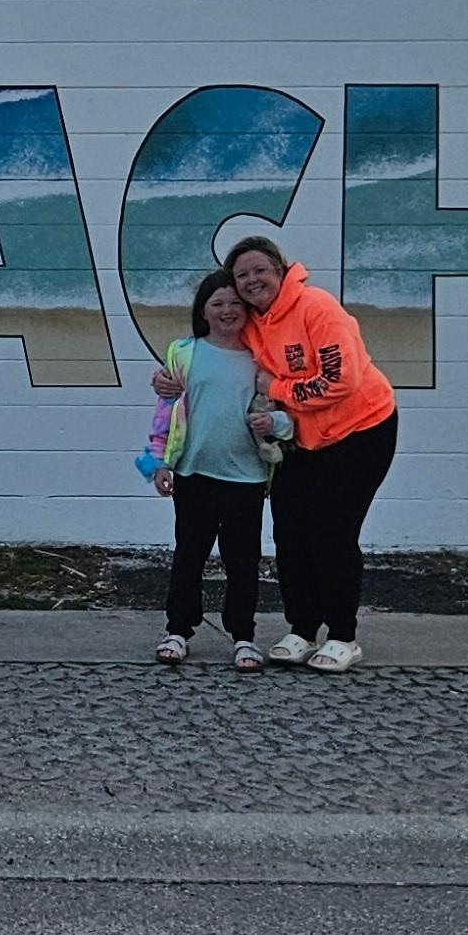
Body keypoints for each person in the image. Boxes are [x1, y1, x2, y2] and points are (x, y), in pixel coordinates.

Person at [152, 237, 397, 671]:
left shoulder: (317, 308)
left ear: (281, 270)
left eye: (260, 270)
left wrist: (278, 389)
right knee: (291, 533)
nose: (252, 281)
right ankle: (302, 628)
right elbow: (210, 354)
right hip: (300, 438)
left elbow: (340, 380)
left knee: (333, 532)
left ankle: (343, 635)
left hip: (360, 431)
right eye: (242, 275)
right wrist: (167, 378)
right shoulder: (252, 322)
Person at [137, 268, 283, 670]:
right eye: (217, 303)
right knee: (189, 556)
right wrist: (158, 462)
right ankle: (178, 631)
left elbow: (280, 411)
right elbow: (165, 413)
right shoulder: (183, 353)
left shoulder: (262, 359)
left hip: (247, 478)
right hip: (193, 475)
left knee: (243, 561)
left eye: (235, 302)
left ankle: (243, 636)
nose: (227, 310)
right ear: (203, 310)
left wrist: (274, 424)